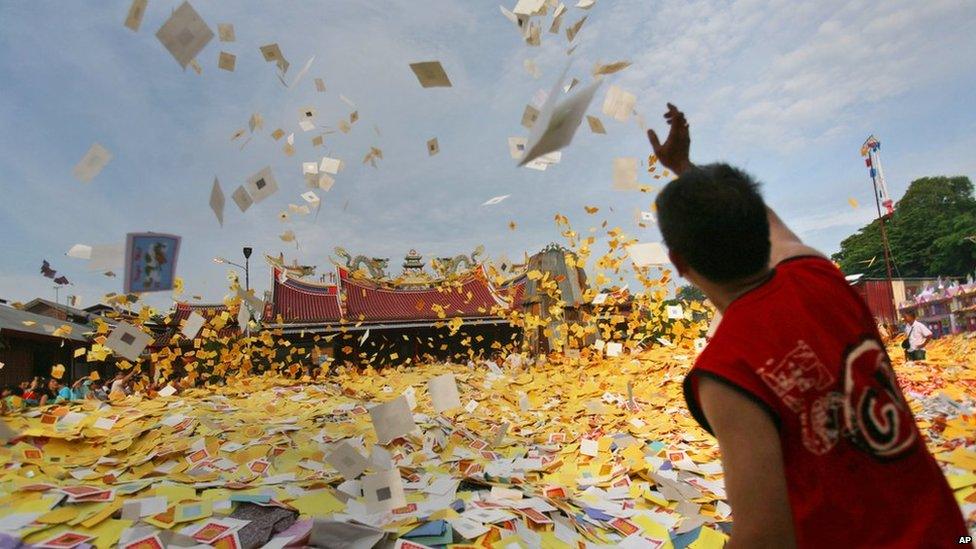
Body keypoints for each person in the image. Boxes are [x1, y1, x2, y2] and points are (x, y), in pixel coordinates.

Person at [648, 103, 966, 547]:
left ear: (678, 263)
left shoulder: (725, 371)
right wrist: (684, 167)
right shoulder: (817, 272)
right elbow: (765, 220)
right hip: (945, 531)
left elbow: (764, 537)